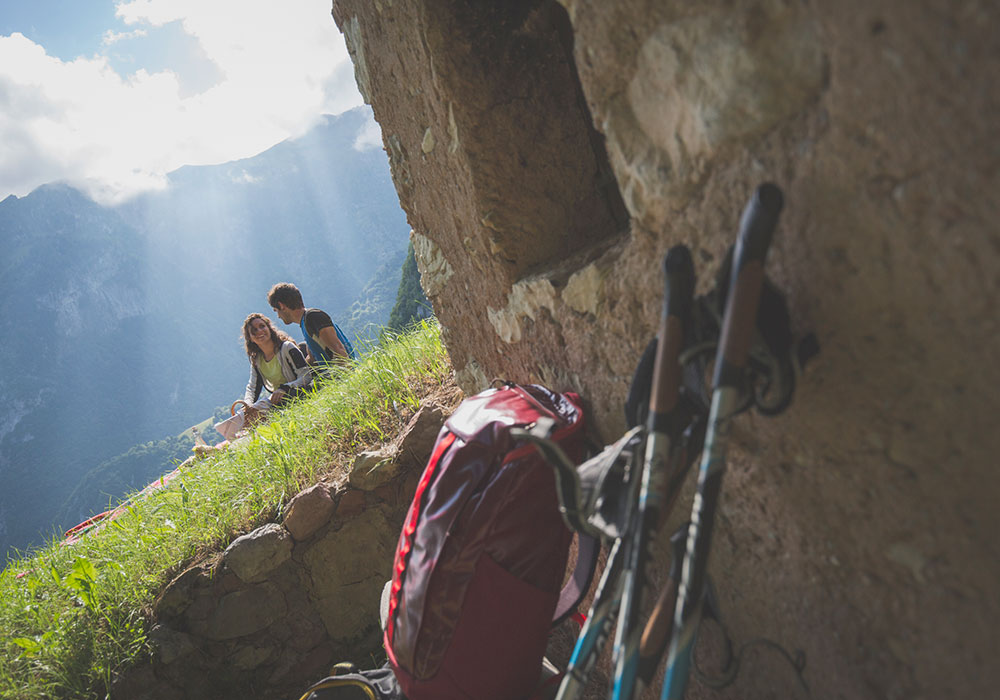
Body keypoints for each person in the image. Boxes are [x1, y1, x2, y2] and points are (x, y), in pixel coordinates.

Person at [267, 282, 358, 366]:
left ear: (281, 306)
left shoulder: (313, 317)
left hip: (346, 377)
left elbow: (339, 350)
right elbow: (312, 359)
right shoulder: (305, 323)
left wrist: (348, 379)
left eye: (276, 310)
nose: (278, 316)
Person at [241, 312, 313, 407]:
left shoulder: (287, 348)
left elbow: (306, 376)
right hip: (279, 399)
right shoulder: (256, 359)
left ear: (269, 328)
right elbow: (252, 388)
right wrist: (247, 405)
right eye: (254, 330)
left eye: (262, 326)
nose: (259, 331)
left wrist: (285, 388)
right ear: (250, 338)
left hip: (298, 392)